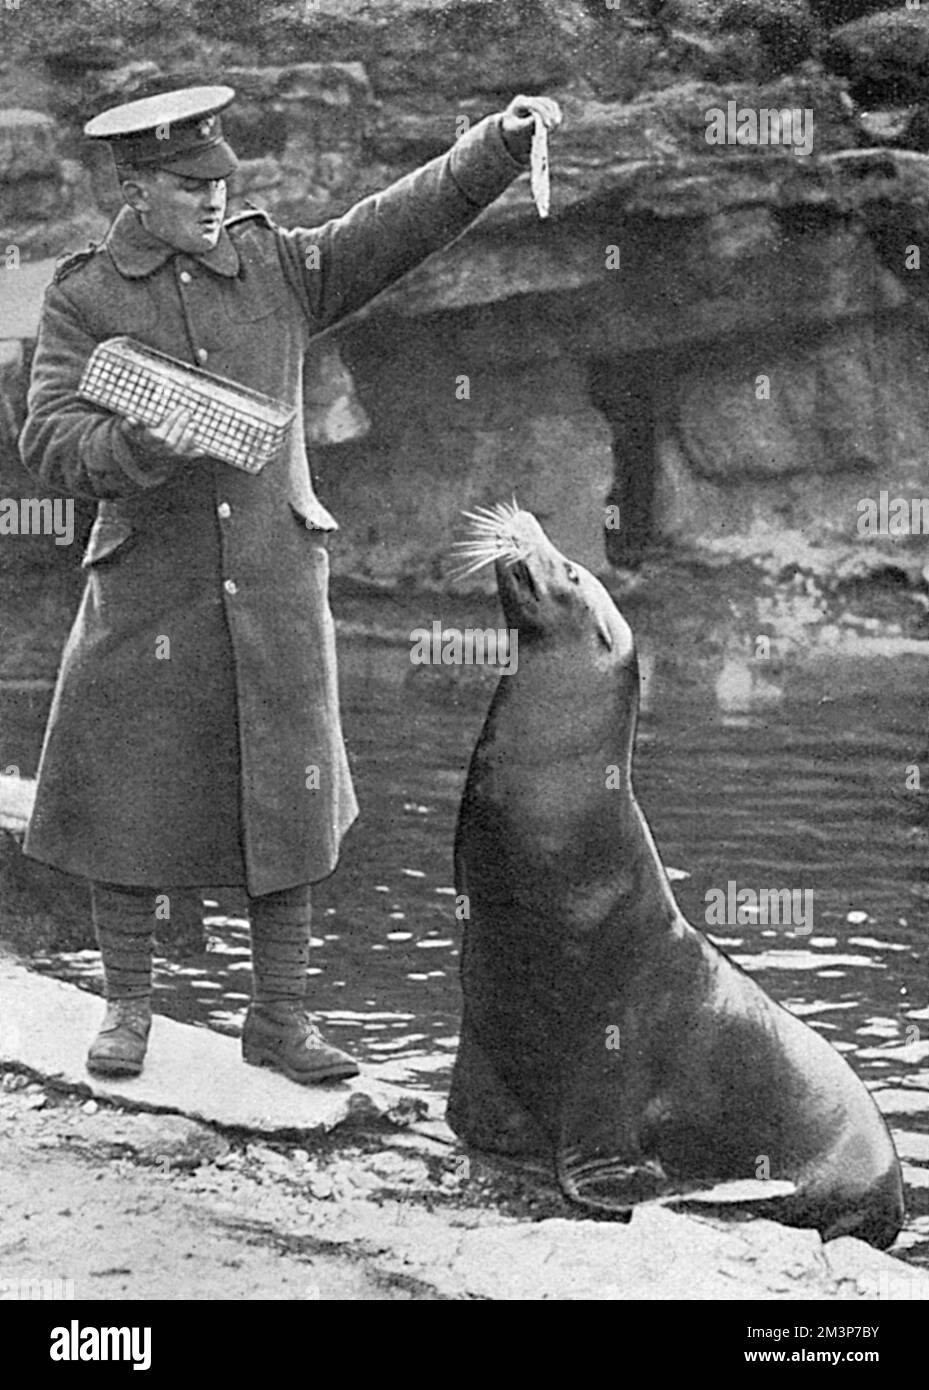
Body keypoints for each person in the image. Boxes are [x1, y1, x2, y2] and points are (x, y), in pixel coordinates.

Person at [19, 83, 562, 1084]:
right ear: (136, 191)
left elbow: (398, 224)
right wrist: (137, 441)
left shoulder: (277, 263)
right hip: (148, 588)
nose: (215, 200)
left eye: (221, 182)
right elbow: (48, 437)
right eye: (190, 187)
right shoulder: (85, 295)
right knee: (126, 797)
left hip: (272, 581)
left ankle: (278, 1019)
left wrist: (493, 144)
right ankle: (126, 1011)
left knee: (289, 800)